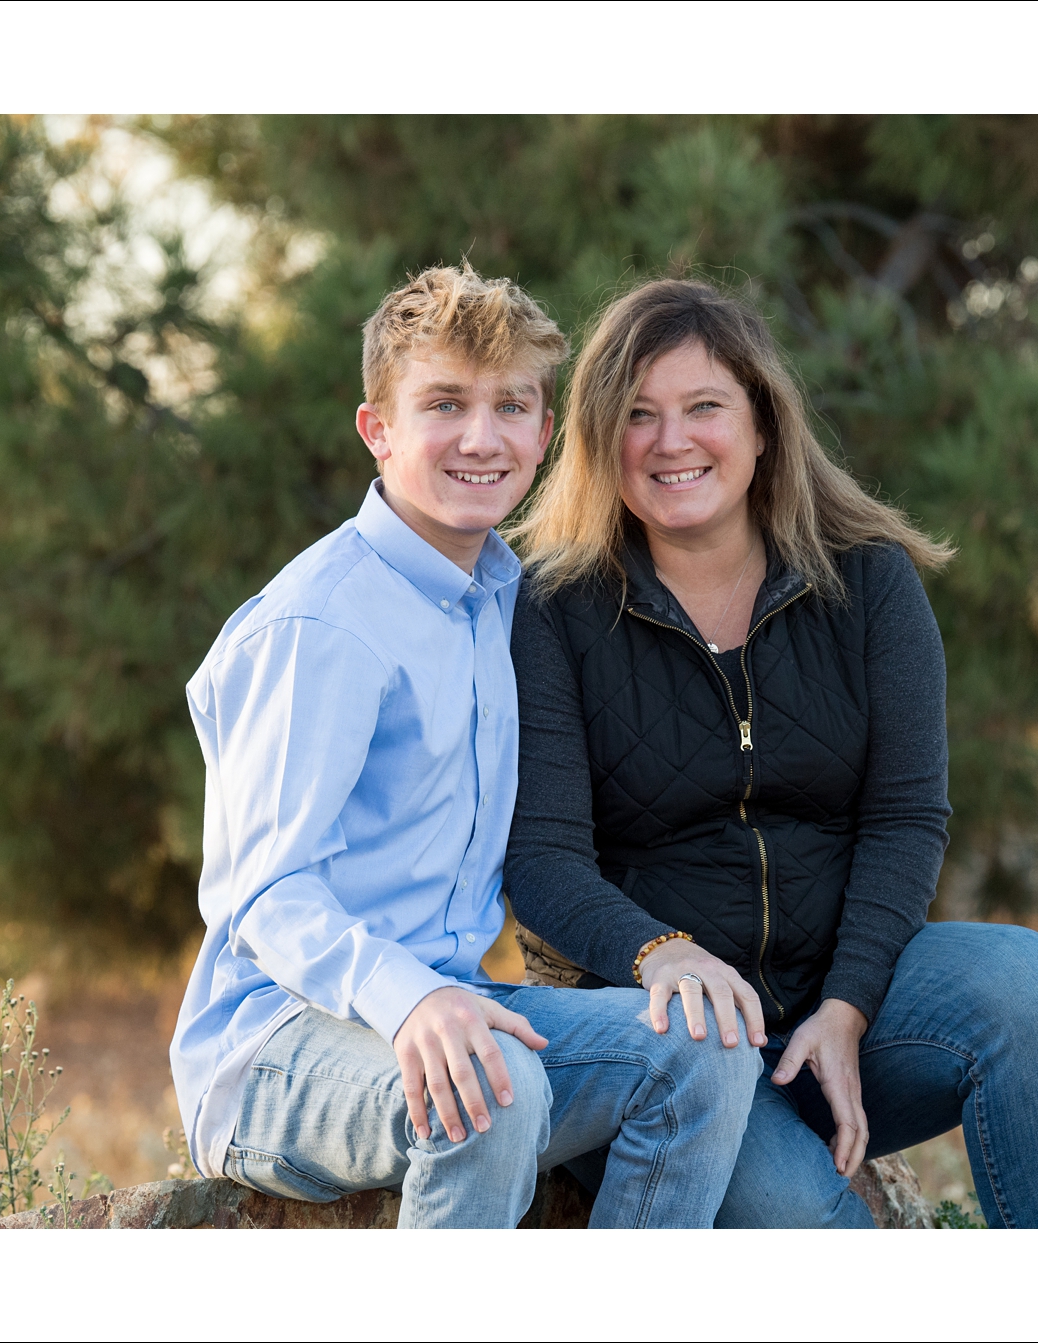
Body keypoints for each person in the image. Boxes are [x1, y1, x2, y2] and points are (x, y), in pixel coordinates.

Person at [504, 278, 1038, 1228]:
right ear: (597, 438)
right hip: (673, 1041)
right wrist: (659, 953)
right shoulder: (551, 609)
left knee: (1035, 994)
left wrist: (850, 1004)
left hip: (840, 1003)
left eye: (705, 407)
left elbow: (906, 815)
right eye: (638, 415)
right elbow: (541, 863)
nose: (673, 442)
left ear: (762, 425)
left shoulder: (867, 579)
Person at [168, 265, 759, 1229]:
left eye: (510, 406)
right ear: (379, 429)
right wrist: (409, 1002)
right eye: (444, 403)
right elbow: (265, 897)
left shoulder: (501, 595)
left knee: (710, 1043)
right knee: (490, 1088)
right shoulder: (323, 624)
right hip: (274, 1047)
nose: (481, 438)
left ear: (544, 431)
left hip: (459, 1003)